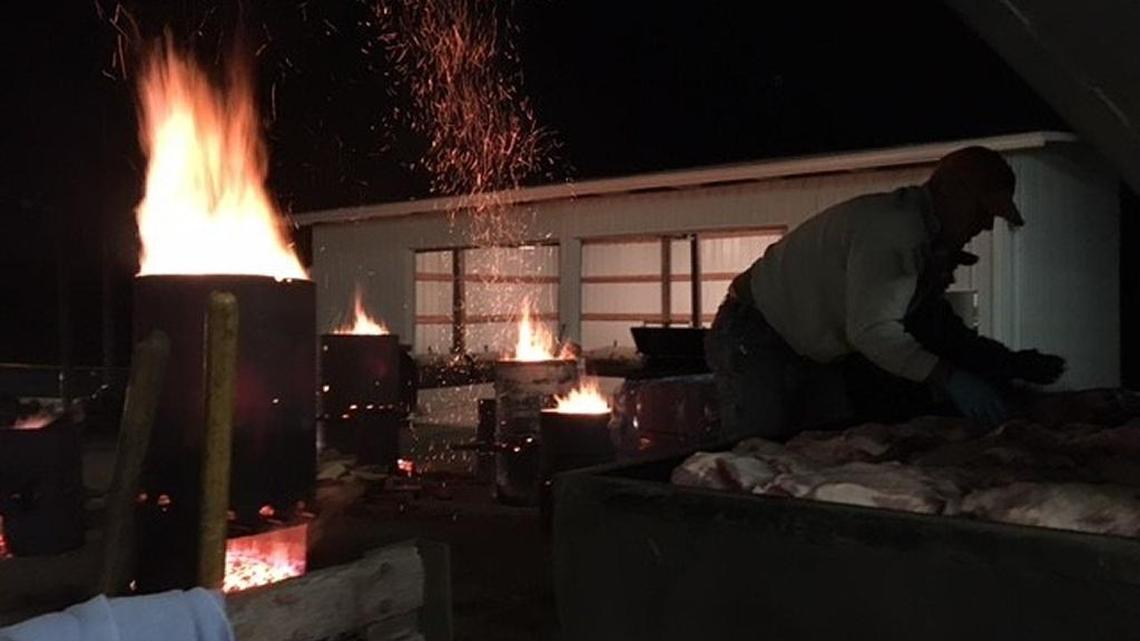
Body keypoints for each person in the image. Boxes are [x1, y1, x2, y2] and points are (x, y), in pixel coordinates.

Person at [705, 146, 1065, 440]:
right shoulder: (895, 233)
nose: (985, 225)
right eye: (982, 212)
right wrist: (951, 378)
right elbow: (874, 332)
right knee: (758, 446)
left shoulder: (924, 243)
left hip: (811, 346)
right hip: (756, 331)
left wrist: (1010, 364)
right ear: (952, 194)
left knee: (828, 442)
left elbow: (936, 326)